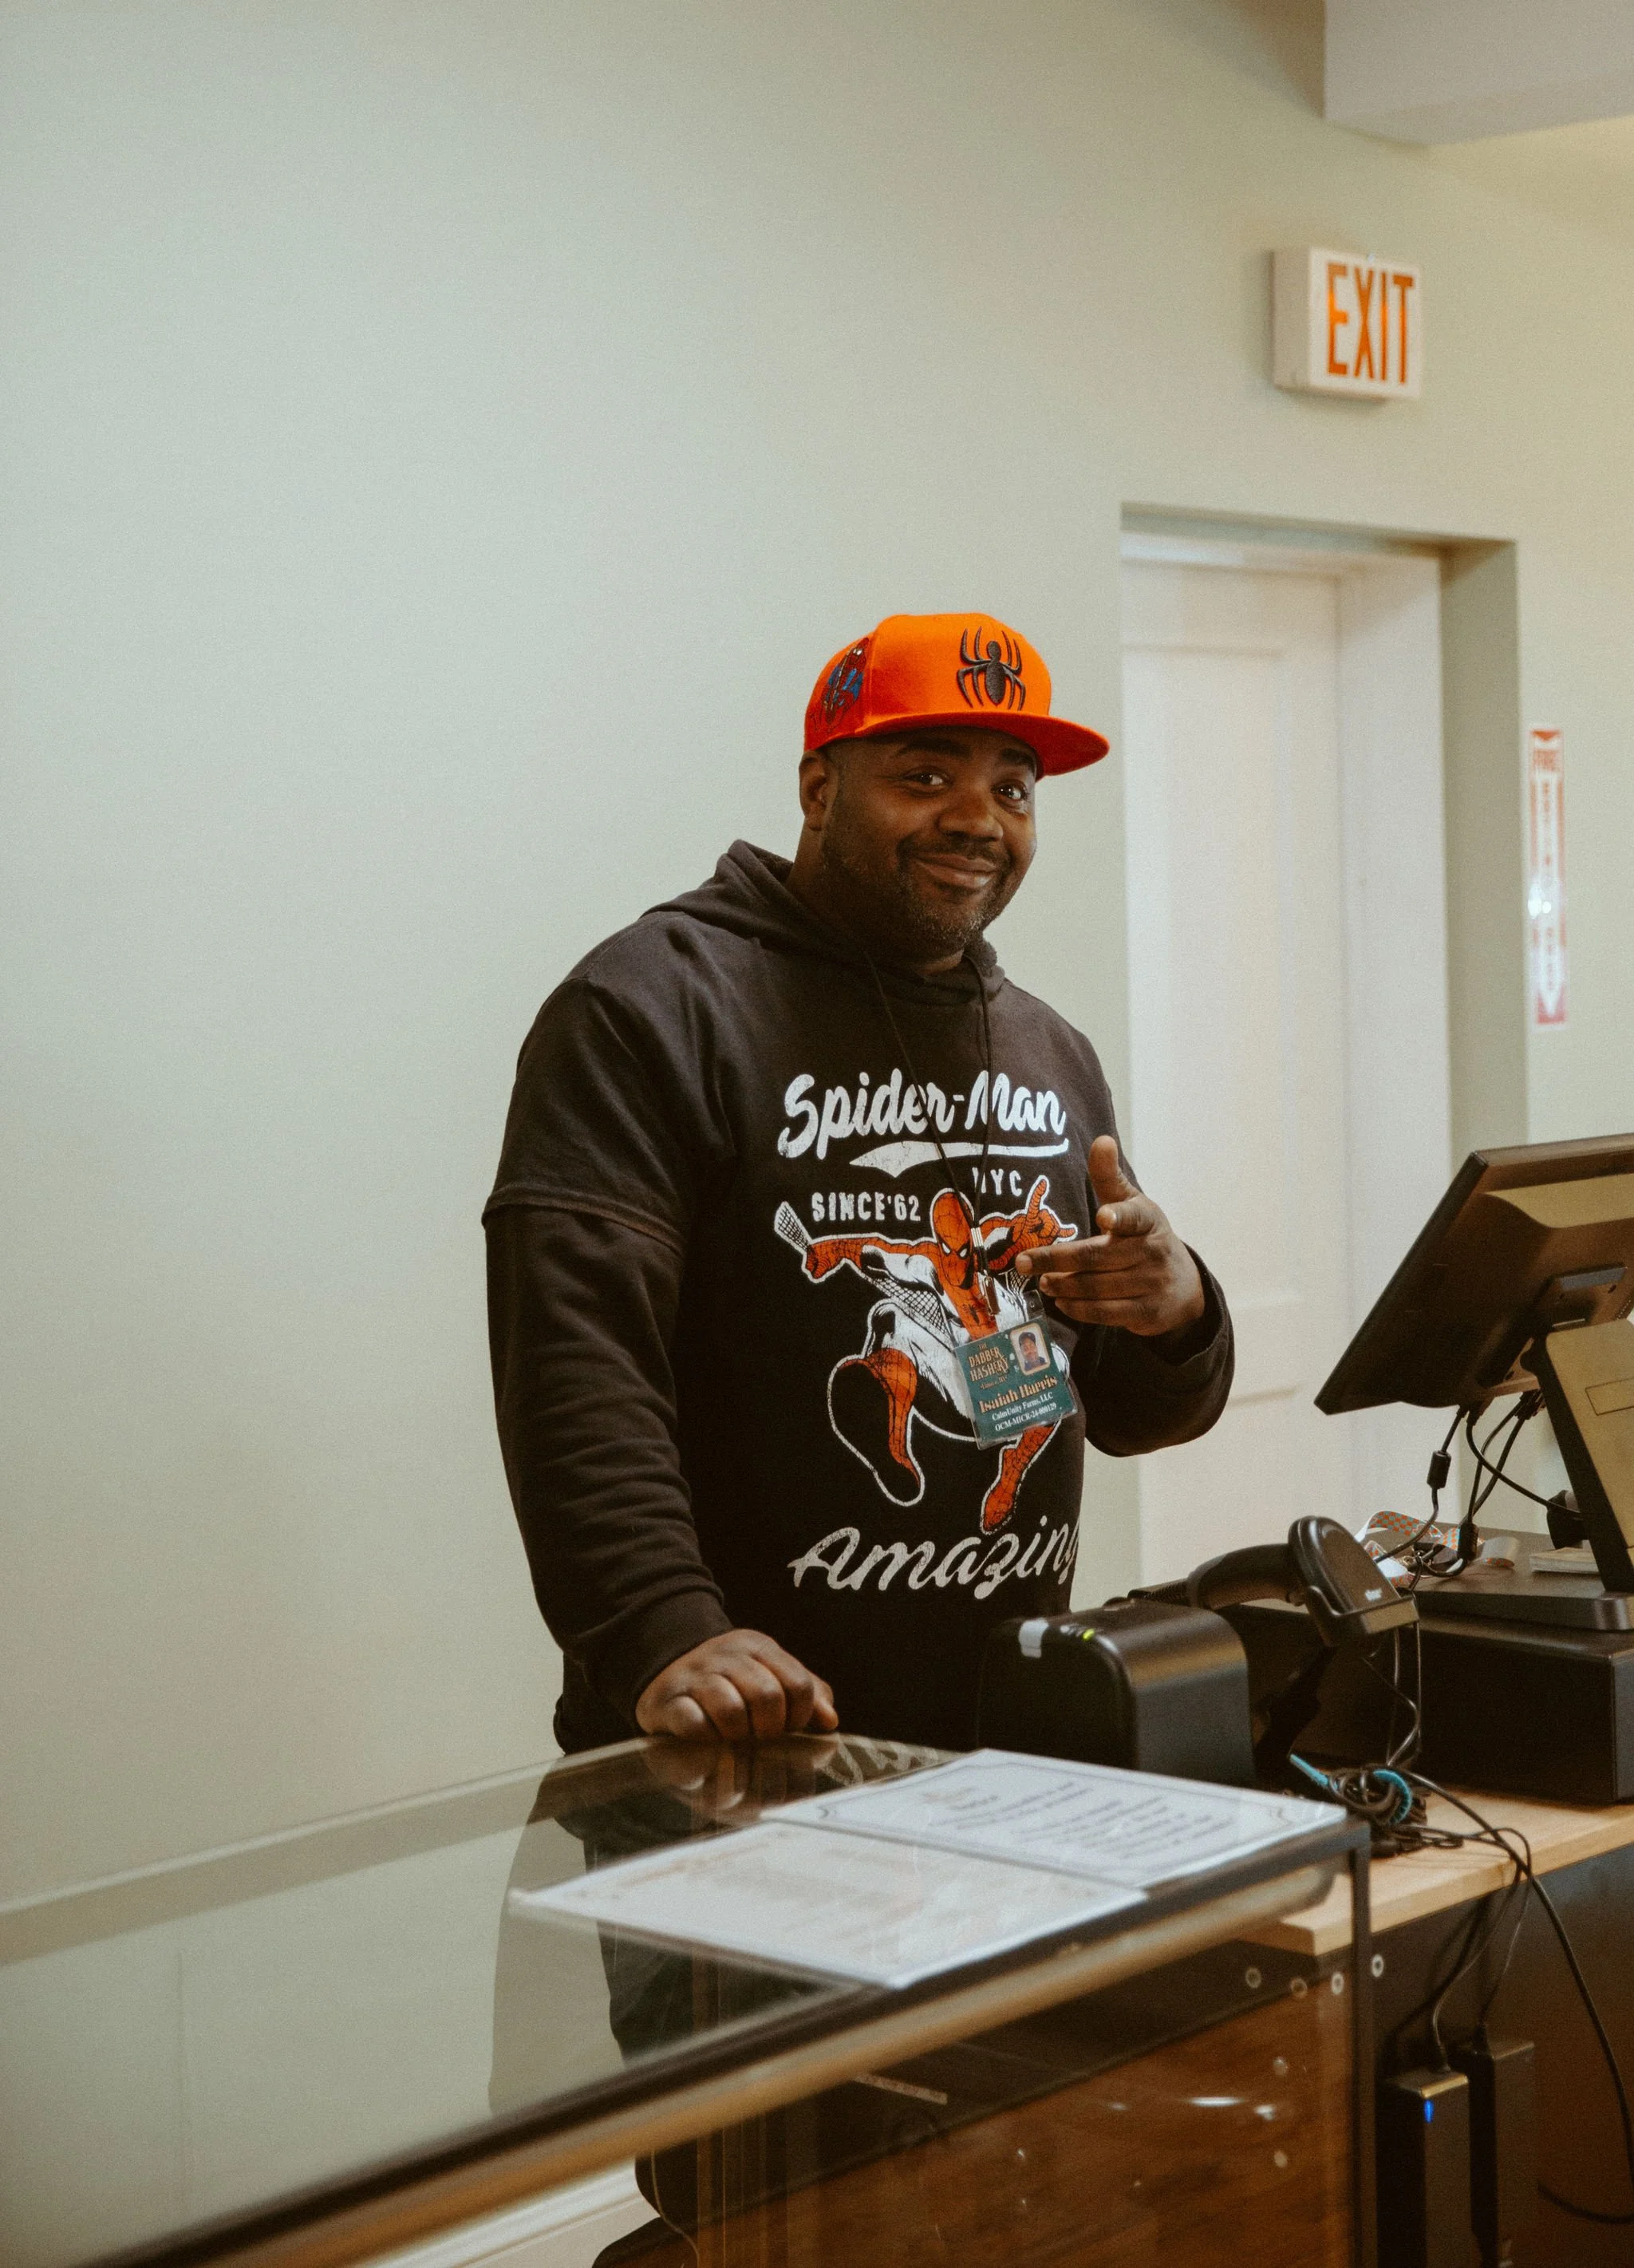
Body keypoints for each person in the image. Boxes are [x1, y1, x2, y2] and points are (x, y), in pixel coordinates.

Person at [485, 611, 1233, 1756]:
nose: (979, 819)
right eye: (925, 774)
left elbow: (1128, 1406)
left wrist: (1176, 1309)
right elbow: (579, 1354)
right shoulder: (656, 1005)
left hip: (1009, 1734)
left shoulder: (1048, 1050)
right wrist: (661, 1629)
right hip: (747, 1742)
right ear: (819, 787)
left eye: (1014, 788)